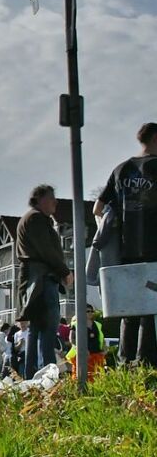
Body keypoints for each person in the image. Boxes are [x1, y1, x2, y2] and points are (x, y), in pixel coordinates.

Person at [93, 122, 157, 365]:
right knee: (151, 306)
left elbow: (97, 208)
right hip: (153, 247)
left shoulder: (121, 170)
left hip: (125, 250)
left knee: (129, 308)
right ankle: (146, 362)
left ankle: (125, 361)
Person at [16, 185, 72, 377]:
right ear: (39, 199)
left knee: (37, 327)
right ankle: (47, 375)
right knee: (48, 326)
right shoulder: (36, 219)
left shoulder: (31, 219)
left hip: (36, 279)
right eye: (51, 198)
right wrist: (64, 271)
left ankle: (33, 375)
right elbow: (46, 250)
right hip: (42, 278)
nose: (55, 202)